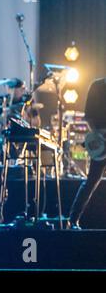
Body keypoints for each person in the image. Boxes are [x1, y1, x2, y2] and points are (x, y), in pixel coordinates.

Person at [67, 78, 106, 229]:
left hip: (99, 139)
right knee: (92, 181)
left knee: (90, 182)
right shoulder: (97, 85)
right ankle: (73, 220)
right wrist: (98, 136)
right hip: (100, 141)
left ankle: (73, 220)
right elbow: (88, 116)